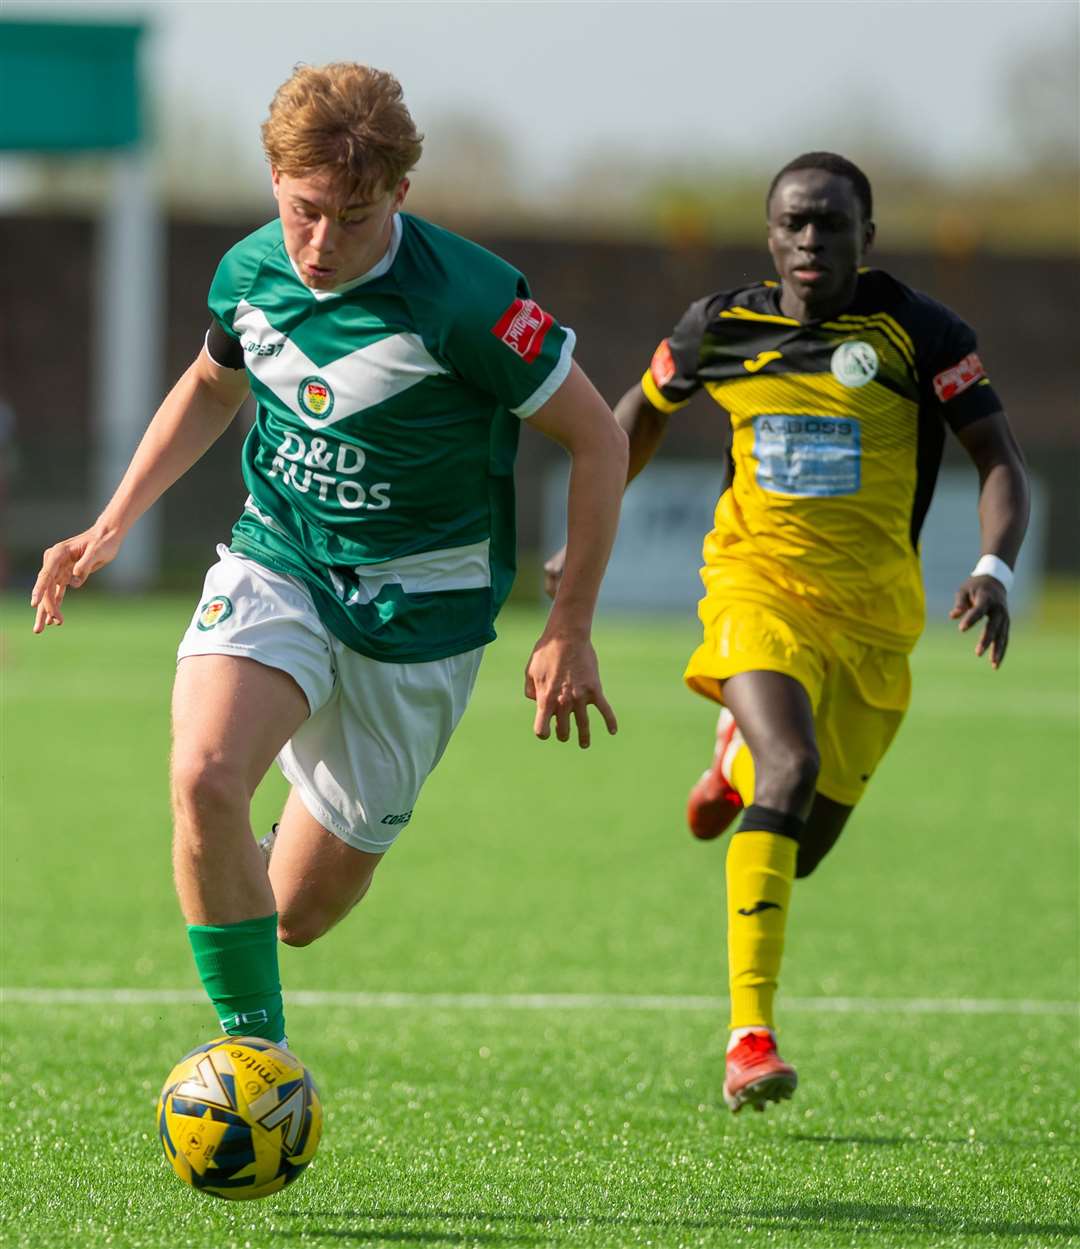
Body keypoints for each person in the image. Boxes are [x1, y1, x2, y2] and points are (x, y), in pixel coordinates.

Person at [31, 63, 628, 1053]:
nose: (319, 242)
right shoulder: (252, 271)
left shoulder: (472, 301)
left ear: (400, 193)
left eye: (351, 217)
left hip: (424, 615)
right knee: (206, 778)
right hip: (284, 563)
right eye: (303, 209)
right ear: (275, 179)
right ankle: (251, 1057)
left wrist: (569, 625)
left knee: (297, 912)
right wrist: (114, 519)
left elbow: (599, 438)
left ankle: (254, 884)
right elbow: (214, 385)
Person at [545, 152, 1029, 1113]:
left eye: (832, 225)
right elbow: (630, 421)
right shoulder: (722, 326)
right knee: (793, 770)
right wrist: (583, 537)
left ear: (867, 237)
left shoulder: (922, 333)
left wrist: (993, 566)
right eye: (795, 224)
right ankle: (748, 1036)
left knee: (795, 843)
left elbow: (998, 457)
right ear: (770, 235)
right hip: (754, 587)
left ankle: (733, 762)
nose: (812, 242)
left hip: (874, 623)